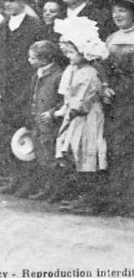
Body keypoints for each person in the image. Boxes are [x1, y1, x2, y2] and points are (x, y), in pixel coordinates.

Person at [0, 0, 45, 193]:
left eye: (13, 0)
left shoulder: (33, 26)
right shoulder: (3, 26)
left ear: (23, 2)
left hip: (26, 86)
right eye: (5, 1)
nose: (8, 5)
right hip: (5, 89)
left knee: (25, 132)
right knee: (7, 132)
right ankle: (15, 177)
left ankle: (29, 181)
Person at [49, 16, 109, 214]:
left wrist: (66, 112)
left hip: (86, 117)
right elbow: (67, 95)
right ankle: (79, 195)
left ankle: (90, 199)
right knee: (75, 154)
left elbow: (82, 100)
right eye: (66, 52)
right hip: (74, 116)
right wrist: (63, 110)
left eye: (72, 52)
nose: (69, 56)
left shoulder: (89, 72)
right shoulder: (72, 69)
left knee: (86, 153)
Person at [100, 0, 134, 215]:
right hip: (116, 98)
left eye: (122, 11)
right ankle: (119, 198)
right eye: (114, 12)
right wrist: (104, 85)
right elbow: (103, 67)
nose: (117, 15)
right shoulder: (111, 38)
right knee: (118, 146)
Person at [22, 40, 64, 201]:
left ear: (45, 59)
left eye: (33, 58)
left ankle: (55, 190)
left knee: (51, 157)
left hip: (49, 124)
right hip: (37, 122)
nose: (29, 61)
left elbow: (63, 100)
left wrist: (52, 113)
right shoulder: (37, 74)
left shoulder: (57, 76)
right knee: (41, 156)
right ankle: (46, 188)